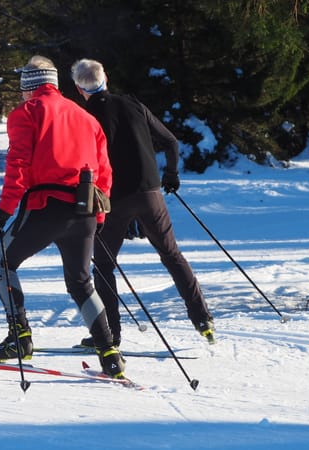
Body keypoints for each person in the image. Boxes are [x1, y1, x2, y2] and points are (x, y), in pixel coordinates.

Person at [0, 55, 126, 378]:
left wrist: (5, 207)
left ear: (29, 87)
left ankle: (19, 338)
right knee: (81, 281)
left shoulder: (26, 113)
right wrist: (99, 217)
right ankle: (109, 352)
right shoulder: (85, 116)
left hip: (46, 206)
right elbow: (105, 171)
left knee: (2, 262)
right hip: (86, 210)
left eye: (22, 88)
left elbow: (18, 163)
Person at [70, 58, 215, 347]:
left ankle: (111, 335)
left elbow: (83, 164)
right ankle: (203, 319)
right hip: (151, 194)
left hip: (114, 200)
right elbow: (171, 142)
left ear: (78, 89)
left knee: (103, 265)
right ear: (105, 78)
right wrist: (171, 174)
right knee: (172, 255)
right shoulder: (133, 104)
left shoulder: (85, 118)